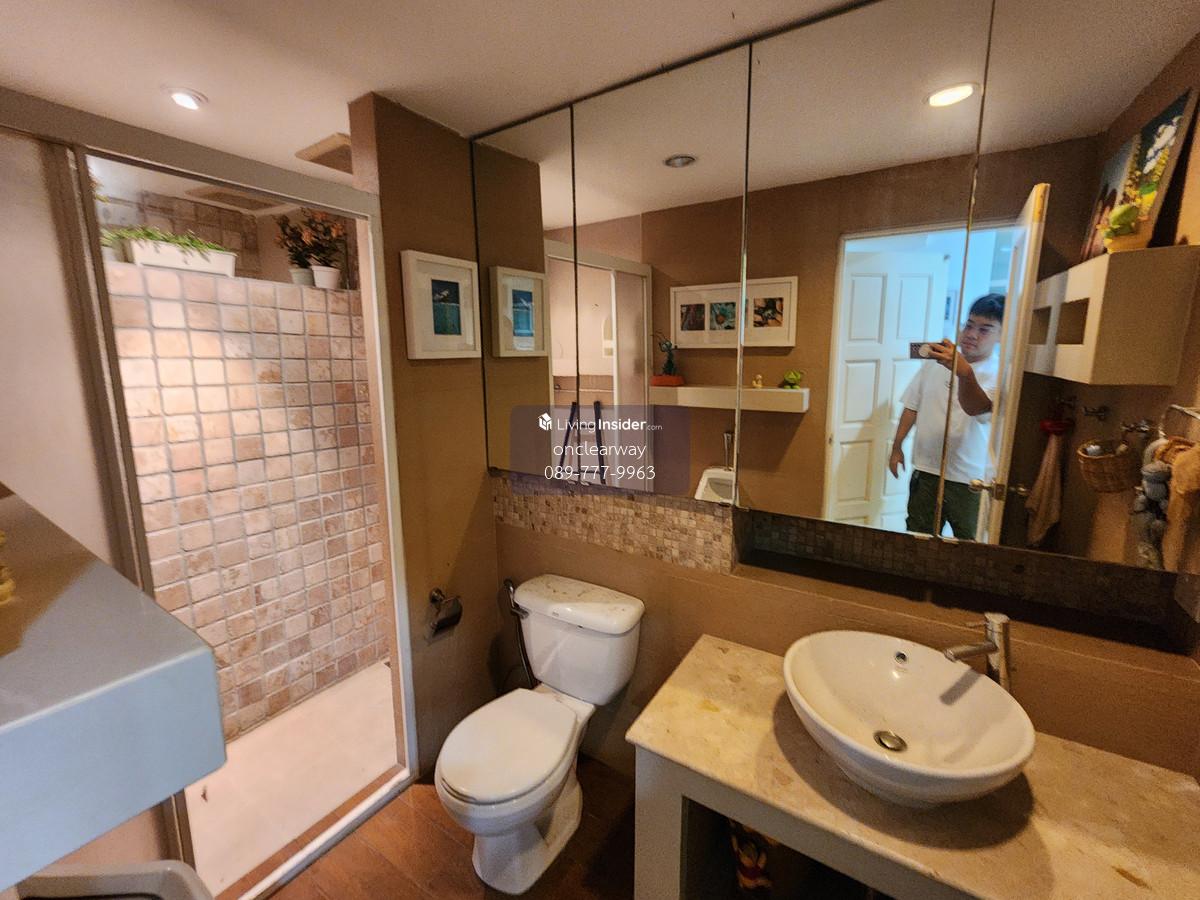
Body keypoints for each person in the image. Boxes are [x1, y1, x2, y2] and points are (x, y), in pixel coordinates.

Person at [888, 294, 1004, 539]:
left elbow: (976, 408)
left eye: (984, 329)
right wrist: (896, 447)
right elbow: (912, 405)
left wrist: (964, 373)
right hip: (926, 469)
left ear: (1001, 336)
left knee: (968, 541)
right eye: (969, 325)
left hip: (970, 479)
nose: (972, 334)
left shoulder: (998, 373)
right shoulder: (933, 363)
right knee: (918, 536)